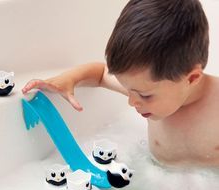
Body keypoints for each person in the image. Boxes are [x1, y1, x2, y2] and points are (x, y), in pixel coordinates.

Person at [22, 0, 219, 166]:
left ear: (192, 78)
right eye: (128, 90)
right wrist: (69, 79)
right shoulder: (146, 89)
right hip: (162, 184)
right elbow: (100, 74)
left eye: (144, 95)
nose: (131, 101)